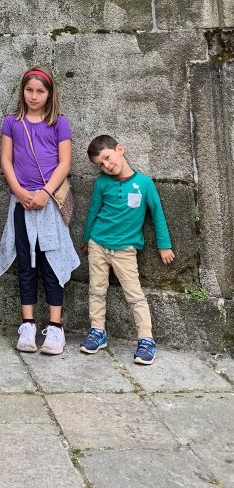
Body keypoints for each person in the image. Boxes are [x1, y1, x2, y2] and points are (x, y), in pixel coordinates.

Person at [0, 66, 79, 355]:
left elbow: (64, 162)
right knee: (26, 263)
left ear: (49, 93)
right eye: (29, 90)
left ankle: (55, 327)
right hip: (21, 203)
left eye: (40, 91)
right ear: (22, 91)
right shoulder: (11, 123)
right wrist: (19, 191)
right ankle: (27, 323)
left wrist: (44, 193)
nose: (34, 96)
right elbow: (6, 160)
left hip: (50, 204)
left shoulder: (59, 123)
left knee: (52, 263)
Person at [80, 135, 175, 365]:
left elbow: (157, 215)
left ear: (119, 149)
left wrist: (164, 244)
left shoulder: (144, 184)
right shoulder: (102, 183)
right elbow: (93, 211)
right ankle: (97, 331)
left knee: (135, 295)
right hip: (98, 244)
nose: (106, 166)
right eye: (100, 165)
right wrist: (87, 238)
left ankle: (146, 340)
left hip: (125, 250)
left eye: (107, 158)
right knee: (96, 290)